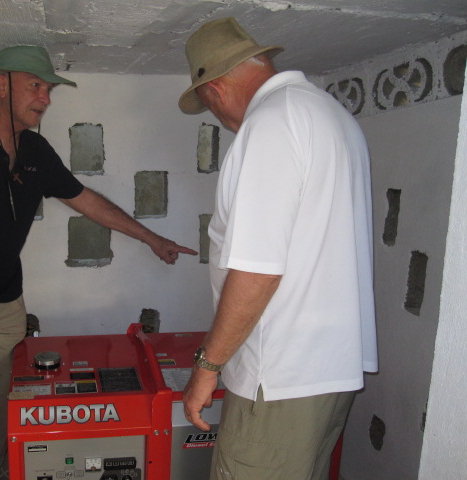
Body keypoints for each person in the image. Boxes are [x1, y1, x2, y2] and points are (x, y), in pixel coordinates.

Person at [0, 45, 197, 480]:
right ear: (1, 85)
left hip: (4, 299)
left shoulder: (35, 150)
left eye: (49, 89)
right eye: (36, 86)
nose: (46, 98)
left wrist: (152, 238)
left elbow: (86, 201)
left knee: (0, 400)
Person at [179, 18, 378, 479]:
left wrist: (206, 367)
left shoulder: (270, 123)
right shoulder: (330, 114)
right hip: (327, 370)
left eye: (209, 106)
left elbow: (258, 271)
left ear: (214, 90)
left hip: (279, 376)